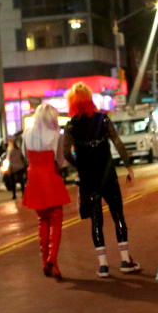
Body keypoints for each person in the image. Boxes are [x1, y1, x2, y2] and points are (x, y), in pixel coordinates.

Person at [63, 81, 141, 277]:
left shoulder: (71, 126)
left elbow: (65, 153)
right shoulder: (103, 120)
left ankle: (103, 265)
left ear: (72, 103)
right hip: (108, 175)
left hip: (89, 179)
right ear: (89, 100)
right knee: (118, 216)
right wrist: (128, 167)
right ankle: (125, 260)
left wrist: (78, 164)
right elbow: (118, 143)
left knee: (96, 220)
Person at [22, 104, 71, 279]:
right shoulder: (56, 135)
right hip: (50, 176)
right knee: (56, 220)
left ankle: (44, 261)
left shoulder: (27, 133)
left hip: (34, 178)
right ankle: (52, 259)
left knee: (42, 220)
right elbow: (61, 160)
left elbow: (24, 156)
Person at [5, 135, 28, 199]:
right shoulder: (19, 150)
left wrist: (9, 169)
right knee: (21, 181)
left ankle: (14, 195)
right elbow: (22, 158)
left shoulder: (10, 151)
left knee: (13, 182)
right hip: (20, 167)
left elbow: (9, 160)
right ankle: (23, 193)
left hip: (13, 167)